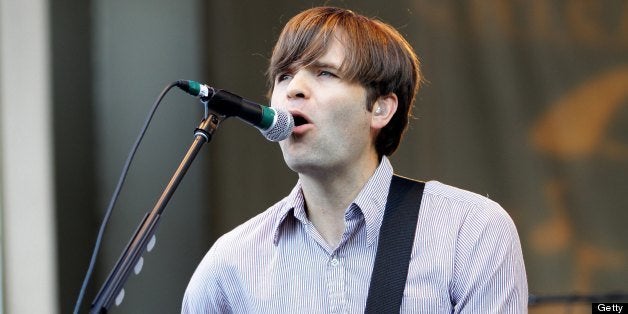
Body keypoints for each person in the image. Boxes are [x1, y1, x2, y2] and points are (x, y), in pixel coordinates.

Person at [183, 6, 528, 313]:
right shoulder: (228, 266)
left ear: (380, 108)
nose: (293, 90)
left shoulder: (469, 231)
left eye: (324, 73)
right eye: (284, 76)